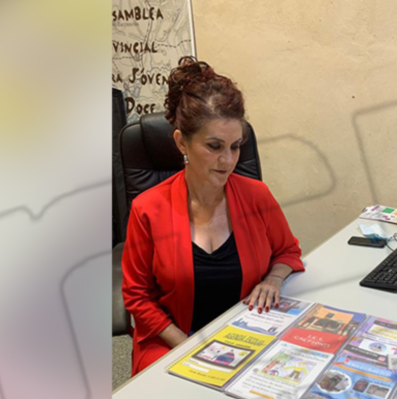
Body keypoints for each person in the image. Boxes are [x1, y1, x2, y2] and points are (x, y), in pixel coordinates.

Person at [122, 57, 304, 375]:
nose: (228, 160)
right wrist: (190, 347)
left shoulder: (256, 195)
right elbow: (137, 296)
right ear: (182, 142)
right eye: (215, 146)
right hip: (173, 342)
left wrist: (273, 279)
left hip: (247, 336)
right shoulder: (147, 209)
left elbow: (287, 251)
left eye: (235, 147)